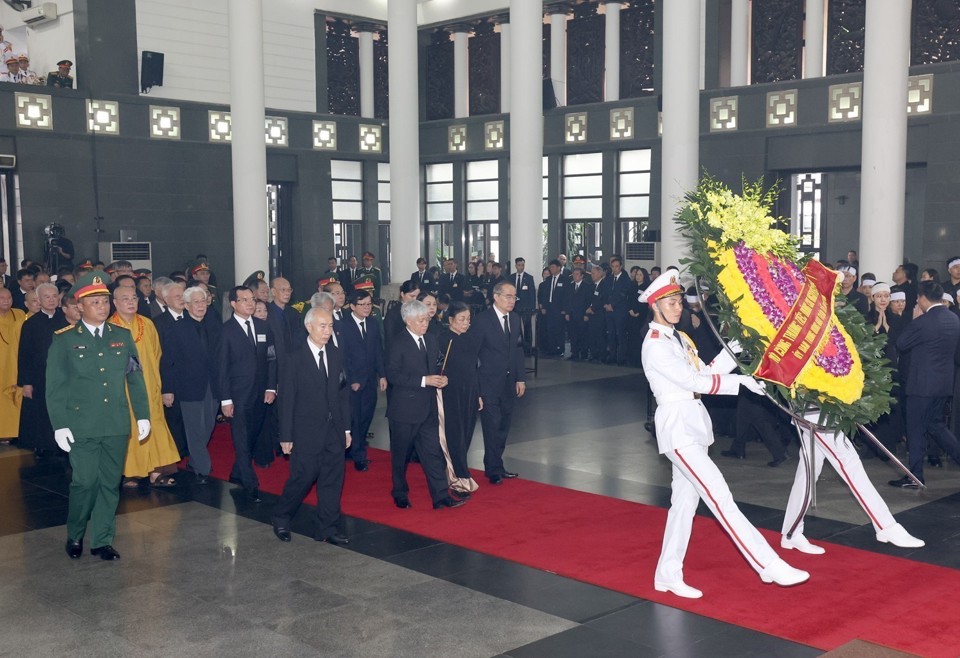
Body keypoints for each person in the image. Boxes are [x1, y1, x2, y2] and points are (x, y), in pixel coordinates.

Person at [640, 268, 808, 598]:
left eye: (678, 301)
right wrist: (741, 383)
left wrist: (734, 348)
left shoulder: (678, 337)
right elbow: (693, 383)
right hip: (677, 426)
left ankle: (667, 574)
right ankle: (767, 564)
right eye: (671, 302)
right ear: (655, 306)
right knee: (720, 496)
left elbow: (703, 372)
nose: (679, 307)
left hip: (691, 422)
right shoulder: (656, 344)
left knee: (684, 506)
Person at [46, 272, 151, 560]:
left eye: (105, 301)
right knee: (84, 482)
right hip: (82, 424)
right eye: (95, 302)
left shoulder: (122, 336)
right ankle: (76, 533)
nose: (102, 307)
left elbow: (135, 378)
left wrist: (142, 415)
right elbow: (55, 387)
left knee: (109, 483)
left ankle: (102, 539)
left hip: (116, 422)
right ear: (79, 306)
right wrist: (60, 425)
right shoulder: (64, 340)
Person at [271, 308, 352, 545]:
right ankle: (281, 516)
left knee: (332, 479)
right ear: (309, 327)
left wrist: (346, 428)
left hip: (334, 430)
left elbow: (343, 393)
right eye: (322, 326)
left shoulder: (336, 354)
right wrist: (285, 435)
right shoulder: (294, 357)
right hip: (305, 431)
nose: (328, 332)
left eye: (330, 327)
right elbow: (286, 400)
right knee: (303, 478)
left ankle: (327, 527)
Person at [386, 300, 465, 510]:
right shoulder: (398, 342)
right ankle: (400, 492)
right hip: (404, 410)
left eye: (427, 319)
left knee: (432, 454)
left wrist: (441, 378)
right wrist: (424, 380)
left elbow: (437, 366)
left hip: (427, 407)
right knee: (401, 456)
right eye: (420, 320)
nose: (425, 324)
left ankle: (440, 497)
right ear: (407, 321)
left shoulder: (431, 339)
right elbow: (393, 375)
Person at [109, 285, 181, 487]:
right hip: (123, 389)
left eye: (134, 298)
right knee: (130, 427)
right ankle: (131, 471)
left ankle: (157, 470)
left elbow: (157, 354)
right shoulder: (109, 328)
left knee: (154, 424)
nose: (131, 302)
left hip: (149, 386)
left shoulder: (147, 324)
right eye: (125, 299)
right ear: (115, 303)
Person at [891, 280, 960, 488]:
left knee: (915, 428)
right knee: (936, 425)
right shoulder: (954, 318)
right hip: (943, 384)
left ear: (922, 298)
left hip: (922, 385)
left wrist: (914, 320)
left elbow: (902, 344)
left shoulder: (923, 321)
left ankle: (915, 476)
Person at [218, 286, 277, 502]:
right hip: (238, 394)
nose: (250, 303)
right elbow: (222, 368)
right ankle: (250, 482)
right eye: (244, 300)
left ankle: (237, 472)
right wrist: (226, 399)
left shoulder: (263, 326)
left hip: (262, 393)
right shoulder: (226, 330)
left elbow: (272, 359)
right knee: (241, 439)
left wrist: (271, 387)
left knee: (252, 436)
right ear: (233, 304)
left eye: (252, 299)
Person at [159, 286, 221, 484]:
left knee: (208, 426)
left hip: (213, 385)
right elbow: (167, 360)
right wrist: (167, 389)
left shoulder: (214, 326)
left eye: (203, 301)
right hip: (187, 386)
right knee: (195, 427)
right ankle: (203, 468)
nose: (201, 306)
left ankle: (194, 461)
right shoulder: (176, 328)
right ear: (186, 306)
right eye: (196, 302)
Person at [474, 281, 526, 484]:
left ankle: (496, 464)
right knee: (491, 425)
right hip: (487, 382)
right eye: (508, 296)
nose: (512, 300)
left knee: (504, 425)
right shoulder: (482, 320)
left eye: (514, 297)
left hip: (508, 382)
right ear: (496, 297)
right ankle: (493, 468)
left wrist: (520, 377)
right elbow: (474, 354)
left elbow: (519, 350)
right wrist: (476, 388)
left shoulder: (515, 318)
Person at [17, 283, 68, 459]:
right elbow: (24, 354)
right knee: (41, 412)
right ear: (38, 300)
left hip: (64, 376)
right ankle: (43, 445)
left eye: (55, 296)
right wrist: (26, 382)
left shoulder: (66, 319)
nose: (52, 300)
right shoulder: (30, 324)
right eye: (47, 297)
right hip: (40, 376)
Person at [339, 289, 386, 472]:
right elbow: (343, 357)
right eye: (363, 304)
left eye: (369, 304)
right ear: (352, 306)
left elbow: (378, 352)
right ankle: (358, 455)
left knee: (367, 416)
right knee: (355, 418)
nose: (367, 308)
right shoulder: (343, 325)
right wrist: (352, 379)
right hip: (354, 381)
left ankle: (354, 449)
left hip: (370, 380)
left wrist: (382, 374)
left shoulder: (373, 323)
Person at [437, 302, 482, 496]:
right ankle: (458, 476)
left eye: (468, 320)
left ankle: (459, 470)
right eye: (461, 319)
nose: (466, 323)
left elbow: (474, 369)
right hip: (451, 393)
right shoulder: (444, 339)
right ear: (450, 320)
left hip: (470, 392)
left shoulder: (470, 338)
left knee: (467, 432)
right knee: (455, 434)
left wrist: (478, 393)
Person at [0, 287, 26, 442]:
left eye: (8, 297)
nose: (6, 301)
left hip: (15, 362)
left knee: (15, 398)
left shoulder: (19, 314)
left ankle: (15, 433)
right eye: (2, 298)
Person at [565, 266, 591, 361]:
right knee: (573, 335)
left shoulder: (587, 287)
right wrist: (567, 313)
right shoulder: (570, 286)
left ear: (582, 276)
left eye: (577, 274)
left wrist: (586, 315)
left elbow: (588, 302)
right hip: (572, 314)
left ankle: (584, 353)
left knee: (583, 334)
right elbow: (568, 301)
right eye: (574, 274)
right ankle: (574, 352)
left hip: (582, 314)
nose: (574, 276)